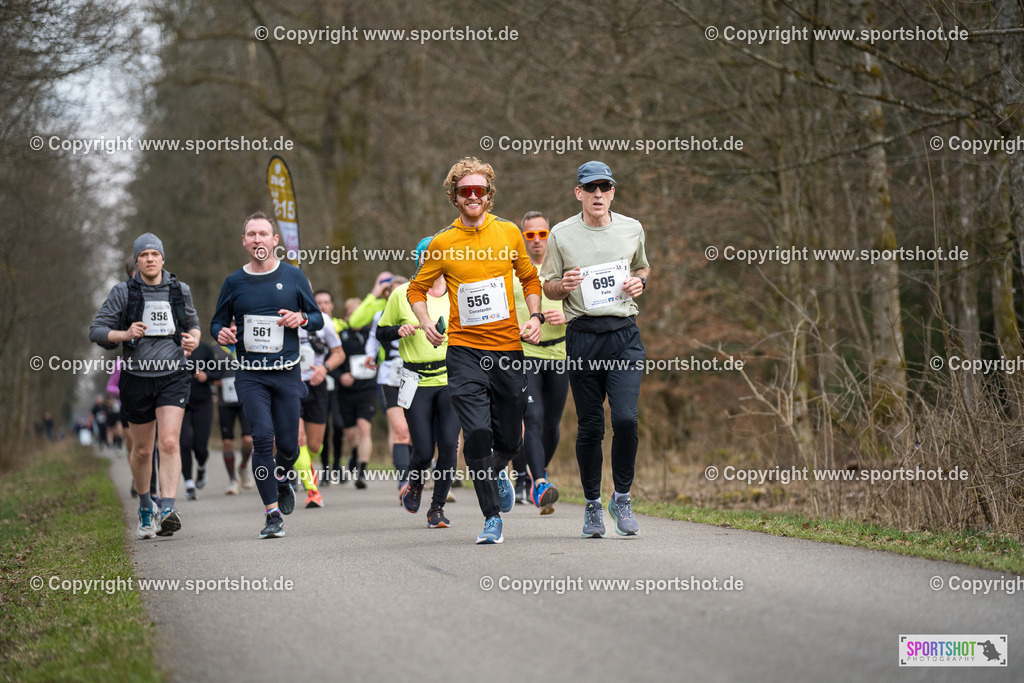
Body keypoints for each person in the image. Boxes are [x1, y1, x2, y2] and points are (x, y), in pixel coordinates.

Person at [408, 157, 543, 544]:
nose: (472, 196)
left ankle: (499, 468)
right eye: (464, 191)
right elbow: (417, 289)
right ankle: (491, 518)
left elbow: (530, 277)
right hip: (464, 352)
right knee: (478, 431)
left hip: (507, 349)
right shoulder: (443, 242)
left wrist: (534, 317)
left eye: (478, 190)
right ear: (454, 197)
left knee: (510, 439)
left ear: (488, 195)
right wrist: (424, 322)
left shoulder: (509, 233)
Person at [541, 161, 649, 537]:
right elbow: (548, 286)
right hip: (583, 334)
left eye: (605, 187)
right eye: (591, 188)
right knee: (590, 426)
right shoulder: (560, 234)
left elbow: (643, 269)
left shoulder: (631, 228)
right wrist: (563, 286)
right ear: (579, 193)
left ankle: (621, 498)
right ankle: (591, 506)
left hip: (623, 334)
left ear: (613, 192)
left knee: (625, 419)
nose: (598, 194)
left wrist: (639, 283)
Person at [211, 211, 323, 539]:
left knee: (289, 445)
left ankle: (283, 476)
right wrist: (222, 334)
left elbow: (318, 317)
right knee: (261, 437)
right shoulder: (234, 283)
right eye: (252, 234)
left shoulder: (293, 277)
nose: (258, 239)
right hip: (250, 374)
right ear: (244, 241)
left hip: (287, 372)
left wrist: (300, 319)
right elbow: (216, 322)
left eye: (264, 234)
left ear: (275, 240)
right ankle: (272, 514)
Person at [90, 233, 201, 539]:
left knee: (168, 442)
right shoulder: (123, 292)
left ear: (163, 259)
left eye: (155, 254)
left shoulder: (180, 290)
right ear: (136, 261)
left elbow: (193, 325)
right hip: (137, 377)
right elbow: (96, 331)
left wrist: (194, 338)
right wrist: (124, 334)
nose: (150, 259)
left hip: (173, 374)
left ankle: (167, 508)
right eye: (144, 255)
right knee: (141, 450)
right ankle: (144, 505)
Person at [379, 237, 459, 528]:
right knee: (423, 449)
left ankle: (436, 508)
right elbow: (380, 332)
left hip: (451, 378)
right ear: (420, 259)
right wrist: (397, 330)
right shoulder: (402, 294)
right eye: (428, 255)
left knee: (449, 445)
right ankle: (414, 484)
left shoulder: (456, 292)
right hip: (414, 379)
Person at [512, 211, 569, 514]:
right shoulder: (514, 274)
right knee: (531, 418)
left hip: (559, 354)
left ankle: (530, 474)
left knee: (551, 424)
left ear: (551, 235)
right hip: (525, 355)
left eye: (542, 234)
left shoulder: (565, 270)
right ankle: (540, 482)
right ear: (523, 237)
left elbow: (586, 309)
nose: (536, 240)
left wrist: (568, 317)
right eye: (530, 234)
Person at [293, 309, 344, 507]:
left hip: (316, 385)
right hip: (290, 386)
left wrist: (325, 369)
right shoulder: (278, 318)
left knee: (314, 445)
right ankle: (312, 491)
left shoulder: (323, 321)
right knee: (298, 438)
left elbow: (339, 353)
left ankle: (306, 465)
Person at [366, 278, 412, 491]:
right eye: (392, 293)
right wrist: (370, 355)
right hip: (389, 375)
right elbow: (374, 339)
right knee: (400, 429)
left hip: (414, 373)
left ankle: (418, 474)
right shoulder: (380, 315)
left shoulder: (417, 311)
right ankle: (404, 481)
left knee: (414, 429)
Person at [179, 340, 220, 500]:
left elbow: (218, 372)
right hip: (180, 401)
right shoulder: (172, 347)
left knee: (200, 447)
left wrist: (206, 376)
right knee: (184, 443)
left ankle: (201, 468)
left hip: (203, 402)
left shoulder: (205, 349)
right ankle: (189, 484)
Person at [213, 331, 253, 494]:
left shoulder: (249, 346)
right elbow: (207, 371)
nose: (234, 329)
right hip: (225, 401)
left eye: (237, 326)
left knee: (248, 440)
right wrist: (214, 381)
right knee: (227, 442)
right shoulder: (215, 349)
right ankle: (232, 480)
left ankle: (243, 466)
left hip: (246, 399)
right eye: (231, 326)